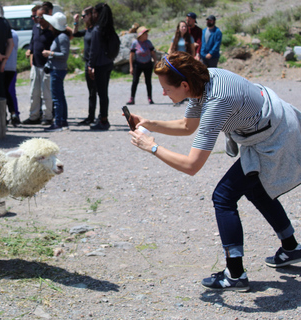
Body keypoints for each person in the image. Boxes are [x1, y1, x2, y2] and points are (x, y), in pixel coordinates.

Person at [127, 51, 301, 291]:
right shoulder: (204, 81)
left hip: (276, 136)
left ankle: (235, 274)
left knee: (224, 196)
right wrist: (148, 123)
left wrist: (153, 147)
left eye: (166, 88)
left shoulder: (216, 102)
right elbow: (188, 126)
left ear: (184, 85)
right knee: (256, 190)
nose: (164, 93)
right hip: (273, 124)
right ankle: (291, 247)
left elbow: (192, 165)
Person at [22, 5, 54, 125]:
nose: (38, 19)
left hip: (47, 66)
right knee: (34, 92)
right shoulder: (35, 28)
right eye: (37, 16)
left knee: (46, 93)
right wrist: (30, 50)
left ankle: (48, 116)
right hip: (36, 65)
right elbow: (32, 41)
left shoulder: (51, 31)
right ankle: (34, 116)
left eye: (40, 17)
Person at [87, 3, 116, 131]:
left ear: (97, 13)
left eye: (94, 12)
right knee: (104, 93)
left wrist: (90, 65)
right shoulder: (109, 28)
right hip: (108, 63)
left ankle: (103, 120)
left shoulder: (97, 30)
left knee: (101, 94)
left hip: (99, 65)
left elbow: (93, 50)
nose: (93, 15)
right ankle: (103, 117)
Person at [42, 12, 71, 132]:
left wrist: (50, 53)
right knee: (60, 96)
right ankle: (62, 120)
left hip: (58, 70)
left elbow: (64, 55)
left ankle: (58, 122)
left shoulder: (62, 37)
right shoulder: (61, 37)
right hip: (57, 69)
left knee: (57, 97)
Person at [73, 6, 98, 126]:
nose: (83, 18)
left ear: (90, 16)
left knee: (99, 92)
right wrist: (75, 22)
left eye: (84, 16)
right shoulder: (88, 30)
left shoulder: (96, 30)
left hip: (94, 65)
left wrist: (92, 65)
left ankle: (101, 117)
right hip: (88, 63)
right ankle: (91, 117)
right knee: (92, 92)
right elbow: (75, 33)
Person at [126, 26, 157, 106]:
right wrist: (131, 67)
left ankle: (150, 98)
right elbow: (131, 55)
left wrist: (156, 63)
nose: (147, 35)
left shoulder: (148, 43)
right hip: (138, 64)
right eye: (145, 33)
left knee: (148, 81)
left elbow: (153, 53)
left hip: (148, 64)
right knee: (135, 81)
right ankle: (132, 98)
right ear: (141, 35)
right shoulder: (135, 43)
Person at [4, 28, 21, 126]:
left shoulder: (6, 34)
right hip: (11, 66)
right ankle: (14, 114)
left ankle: (12, 114)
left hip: (4, 67)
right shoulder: (14, 33)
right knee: (10, 91)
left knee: (5, 92)